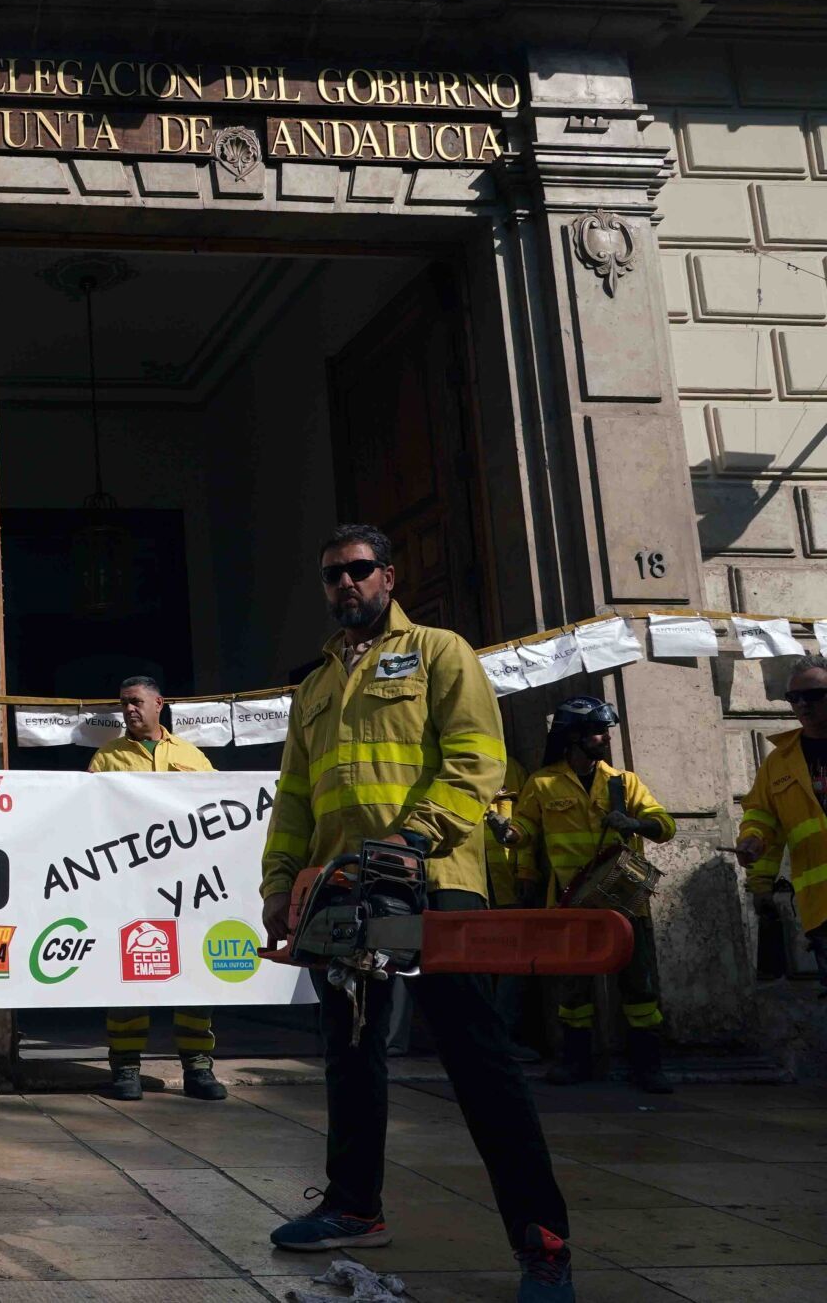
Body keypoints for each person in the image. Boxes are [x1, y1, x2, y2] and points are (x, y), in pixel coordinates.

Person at [258, 525, 572, 1303]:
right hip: (339, 894)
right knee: (350, 1056)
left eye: (360, 571)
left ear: (390, 577)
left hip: (432, 882)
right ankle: (354, 1208)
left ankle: (543, 1243)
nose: (346, 585)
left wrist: (412, 838)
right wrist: (277, 883)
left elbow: (475, 759)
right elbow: (294, 798)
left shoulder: (440, 652)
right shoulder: (316, 685)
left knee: (478, 1061)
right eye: (332, 575)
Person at [507, 697, 676, 1093]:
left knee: (639, 988)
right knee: (573, 991)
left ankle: (648, 1066)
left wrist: (634, 821)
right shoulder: (543, 783)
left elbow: (665, 825)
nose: (606, 738)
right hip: (570, 902)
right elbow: (525, 828)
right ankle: (574, 1061)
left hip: (623, 900)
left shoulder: (624, 783)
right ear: (574, 738)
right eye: (599, 731)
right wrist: (510, 836)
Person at [87, 677, 226, 1103]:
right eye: (123, 704)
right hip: (129, 887)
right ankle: (126, 1068)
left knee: (193, 978)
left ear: (159, 704)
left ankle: (199, 1070)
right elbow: (86, 817)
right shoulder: (106, 758)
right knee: (129, 976)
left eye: (136, 702)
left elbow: (220, 807)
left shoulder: (192, 756)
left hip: (188, 887)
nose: (129, 710)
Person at [738, 653, 827, 995]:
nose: (803, 705)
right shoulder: (780, 761)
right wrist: (753, 844)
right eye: (795, 698)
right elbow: (761, 816)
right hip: (822, 907)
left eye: (814, 696)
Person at [481, 763, 541, 1063]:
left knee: (512, 960)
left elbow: (525, 821)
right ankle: (479, 1039)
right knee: (473, 962)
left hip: (506, 880)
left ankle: (503, 1037)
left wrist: (526, 872)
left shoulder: (512, 770)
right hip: (470, 880)